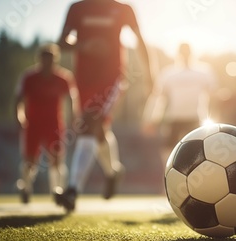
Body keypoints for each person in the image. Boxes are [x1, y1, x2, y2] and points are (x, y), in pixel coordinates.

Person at [56, 0, 153, 212]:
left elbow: (140, 41)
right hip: (84, 79)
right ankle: (113, 171)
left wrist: (150, 74)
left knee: (90, 124)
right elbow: (60, 43)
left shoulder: (124, 9)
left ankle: (72, 190)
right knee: (98, 130)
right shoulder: (77, 8)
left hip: (112, 77)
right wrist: (84, 46)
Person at [15, 43, 78, 204]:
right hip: (33, 123)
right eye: (44, 59)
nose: (47, 63)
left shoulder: (63, 78)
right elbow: (19, 99)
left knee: (56, 158)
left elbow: (71, 99)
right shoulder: (29, 77)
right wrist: (19, 117)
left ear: (55, 60)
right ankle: (26, 187)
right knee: (30, 160)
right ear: (39, 60)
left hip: (54, 124)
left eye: (50, 60)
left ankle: (57, 190)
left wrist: (73, 118)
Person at [143, 43, 217, 161]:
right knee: (168, 150)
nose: (185, 55)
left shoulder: (204, 72)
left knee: (198, 151)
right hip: (174, 119)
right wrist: (151, 120)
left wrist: (216, 120)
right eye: (182, 52)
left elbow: (214, 96)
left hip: (195, 119)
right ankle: (168, 177)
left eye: (187, 51)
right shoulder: (168, 74)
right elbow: (159, 99)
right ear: (178, 54)